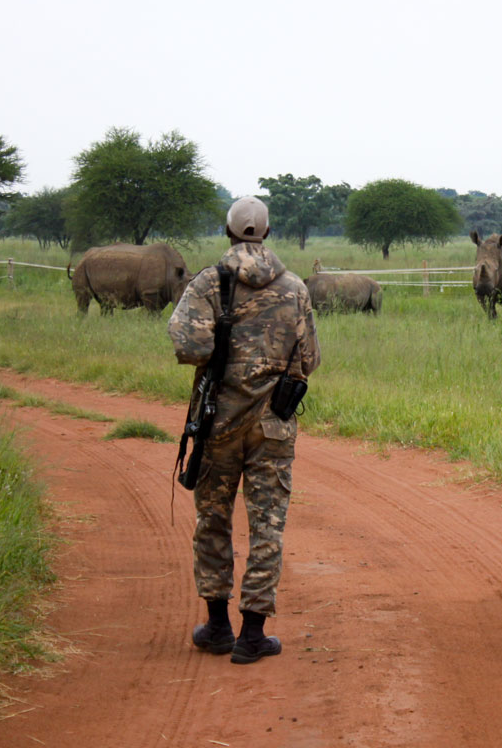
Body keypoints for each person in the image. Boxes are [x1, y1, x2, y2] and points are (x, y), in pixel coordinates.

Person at [168, 196, 320, 665]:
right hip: (274, 425)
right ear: (268, 234)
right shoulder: (294, 287)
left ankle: (217, 626)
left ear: (228, 233)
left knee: (213, 519)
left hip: (218, 422)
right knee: (267, 526)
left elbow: (189, 347)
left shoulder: (209, 282)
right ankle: (253, 634)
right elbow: (309, 359)